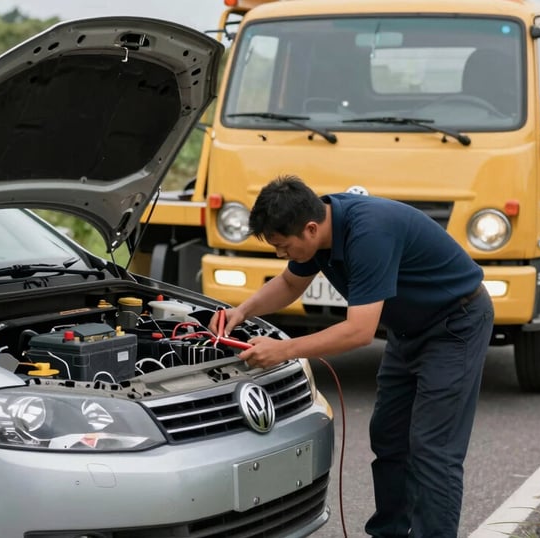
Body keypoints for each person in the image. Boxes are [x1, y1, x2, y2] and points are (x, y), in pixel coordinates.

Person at [211, 175, 494, 538]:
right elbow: (289, 284)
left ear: (310, 229)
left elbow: (359, 332)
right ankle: (389, 532)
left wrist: (284, 350)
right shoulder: (320, 227)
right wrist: (242, 312)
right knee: (389, 436)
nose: (281, 255)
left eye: (283, 247)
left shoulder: (368, 234)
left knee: (433, 450)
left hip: (456, 326)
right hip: (408, 331)